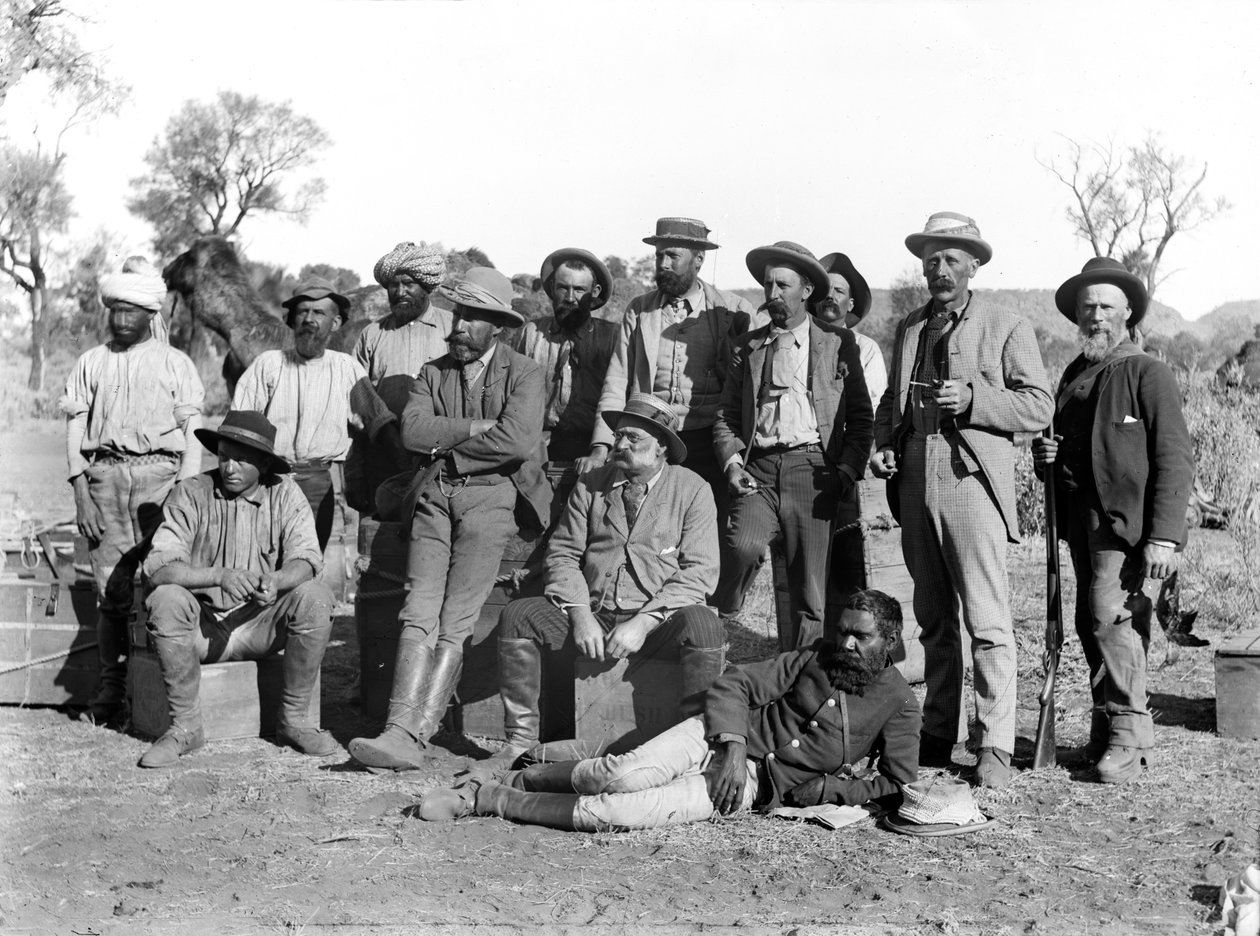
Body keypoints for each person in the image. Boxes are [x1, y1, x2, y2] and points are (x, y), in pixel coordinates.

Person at [416, 589, 919, 831]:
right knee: (619, 774)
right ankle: (519, 779)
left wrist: (826, 789)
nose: (847, 643)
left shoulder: (899, 703)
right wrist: (732, 742)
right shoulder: (812, 656)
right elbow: (735, 683)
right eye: (844, 630)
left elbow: (896, 782)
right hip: (716, 737)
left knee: (619, 811)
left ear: (890, 640)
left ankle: (489, 801)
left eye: (862, 636)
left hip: (753, 785)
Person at [870, 212, 1052, 788]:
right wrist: (884, 445)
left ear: (974, 265)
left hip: (973, 481)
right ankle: (939, 731)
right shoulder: (908, 328)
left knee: (987, 618)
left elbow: (1038, 406)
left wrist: (975, 399)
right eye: (930, 259)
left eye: (951, 259)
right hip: (916, 479)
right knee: (932, 618)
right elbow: (889, 407)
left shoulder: (1006, 324)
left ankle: (995, 743)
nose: (938, 269)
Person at [348, 267, 551, 772]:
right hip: (433, 497)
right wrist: (479, 426)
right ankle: (398, 730)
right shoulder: (432, 372)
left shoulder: (524, 373)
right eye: (458, 314)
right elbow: (413, 432)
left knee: (456, 618)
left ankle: (419, 734)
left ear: (497, 327)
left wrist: (453, 450)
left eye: (472, 318)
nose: (458, 326)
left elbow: (517, 441)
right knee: (418, 609)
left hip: (493, 498)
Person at [489, 393, 727, 765]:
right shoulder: (591, 485)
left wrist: (644, 622)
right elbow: (563, 554)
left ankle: (695, 749)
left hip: (658, 625)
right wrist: (580, 614)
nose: (620, 445)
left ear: (662, 446)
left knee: (704, 626)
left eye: (634, 439)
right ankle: (519, 743)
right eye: (618, 436)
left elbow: (700, 572)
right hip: (596, 623)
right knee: (519, 615)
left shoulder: (693, 489)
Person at [1032, 258, 1194, 783]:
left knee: (1112, 616)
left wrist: (1164, 538)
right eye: (1088, 307)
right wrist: (1047, 455)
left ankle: (1131, 735)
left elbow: (1175, 457)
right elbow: (1072, 447)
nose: (1096, 315)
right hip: (1080, 521)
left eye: (1106, 306)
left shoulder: (1149, 372)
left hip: (1126, 525)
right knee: (1089, 620)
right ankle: (1106, 729)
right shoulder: (1074, 374)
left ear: (1127, 312)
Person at [138, 410, 337, 768]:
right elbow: (159, 567)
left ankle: (294, 720)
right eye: (225, 456)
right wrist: (219, 575)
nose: (230, 467)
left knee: (315, 598)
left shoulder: (286, 494)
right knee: (166, 599)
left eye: (242, 460)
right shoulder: (191, 492)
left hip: (259, 625)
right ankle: (185, 728)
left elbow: (307, 559)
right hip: (202, 628)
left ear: (264, 463)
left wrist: (276, 581)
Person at [60, 260, 205, 724]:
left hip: (159, 479)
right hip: (103, 478)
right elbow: (74, 424)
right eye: (115, 311)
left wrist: (183, 491)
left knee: (162, 581)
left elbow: (193, 428)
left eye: (131, 312)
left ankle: (163, 692)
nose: (121, 320)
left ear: (150, 314)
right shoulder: (91, 363)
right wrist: (80, 488)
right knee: (111, 593)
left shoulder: (174, 363)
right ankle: (110, 693)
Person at [712, 242, 873, 648]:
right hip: (759, 470)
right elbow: (726, 416)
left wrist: (845, 473)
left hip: (813, 471)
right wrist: (733, 465)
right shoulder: (746, 347)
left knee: (809, 592)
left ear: (806, 291)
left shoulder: (838, 343)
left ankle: (802, 683)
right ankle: (723, 613)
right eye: (767, 285)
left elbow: (861, 417)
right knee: (742, 545)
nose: (772, 294)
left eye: (782, 285)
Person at [581, 217, 758, 511]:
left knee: (711, 521)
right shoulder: (639, 311)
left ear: (698, 260)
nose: (662, 264)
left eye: (672, 256)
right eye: (659, 255)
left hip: (711, 438)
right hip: (653, 438)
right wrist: (600, 447)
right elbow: (617, 379)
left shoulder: (732, 310)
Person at [233, 276, 393, 549]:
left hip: (319, 484)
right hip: (269, 481)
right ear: (291, 321)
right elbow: (238, 428)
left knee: (309, 561)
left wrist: (403, 462)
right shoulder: (267, 365)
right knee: (261, 557)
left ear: (336, 323)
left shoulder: (346, 368)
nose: (309, 319)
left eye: (319, 312)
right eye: (302, 312)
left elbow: (377, 419)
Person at [348, 242, 453, 513]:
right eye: (393, 285)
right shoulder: (372, 335)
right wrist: (355, 473)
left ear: (427, 286)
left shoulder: (452, 328)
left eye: (408, 283)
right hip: (381, 459)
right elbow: (356, 406)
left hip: (439, 460)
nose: (400, 291)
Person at [512, 248, 620, 463]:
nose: (570, 298)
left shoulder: (612, 337)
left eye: (579, 289)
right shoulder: (532, 332)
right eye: (563, 288)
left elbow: (618, 397)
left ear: (595, 291)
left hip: (596, 446)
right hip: (539, 442)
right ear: (552, 288)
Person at [813, 251, 887, 410]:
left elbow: (874, 406)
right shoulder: (800, 342)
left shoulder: (867, 349)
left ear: (851, 304)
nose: (830, 296)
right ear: (814, 300)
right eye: (825, 290)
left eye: (838, 291)